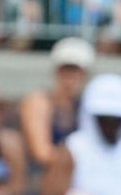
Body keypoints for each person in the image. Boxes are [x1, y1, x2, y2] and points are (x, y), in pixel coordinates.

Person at [21, 36, 93, 167]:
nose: (69, 77)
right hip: (43, 178)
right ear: (56, 71)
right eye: (65, 69)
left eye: (75, 70)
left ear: (85, 74)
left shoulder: (87, 104)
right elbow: (41, 152)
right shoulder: (40, 101)